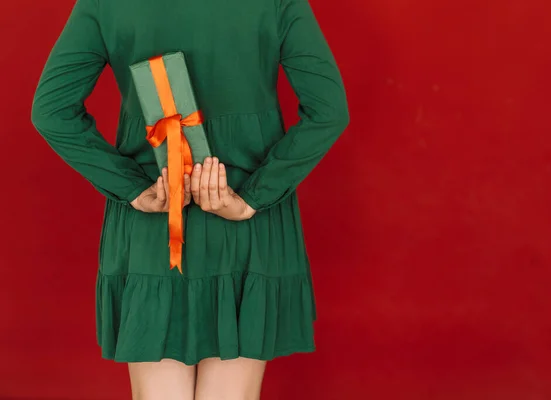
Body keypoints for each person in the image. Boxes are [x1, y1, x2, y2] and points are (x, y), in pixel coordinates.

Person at [31, 0, 349, 398]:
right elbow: (329, 111)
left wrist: (131, 188)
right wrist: (252, 197)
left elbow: (51, 111)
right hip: (246, 225)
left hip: (156, 224)